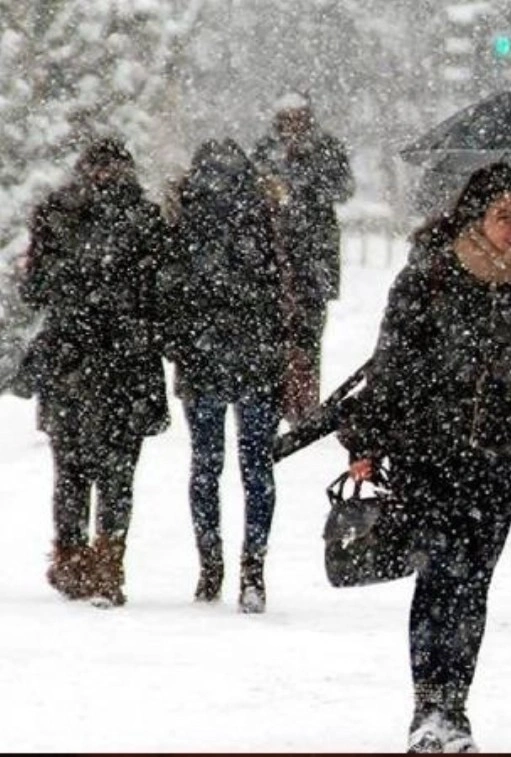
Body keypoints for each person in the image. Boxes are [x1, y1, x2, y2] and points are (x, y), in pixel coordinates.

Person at [338, 163, 511, 753]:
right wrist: (368, 443)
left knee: (473, 583)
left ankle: (456, 707)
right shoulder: (431, 274)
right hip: (430, 451)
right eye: (506, 216)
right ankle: (430, 706)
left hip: (500, 457)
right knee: (439, 575)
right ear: (476, 217)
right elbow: (391, 365)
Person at [19, 137, 170, 607]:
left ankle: (73, 559)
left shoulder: (57, 213)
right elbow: (159, 293)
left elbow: (34, 289)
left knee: (71, 471)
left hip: (72, 360)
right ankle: (107, 562)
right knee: (116, 472)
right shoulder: (145, 220)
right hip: (126, 361)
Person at [164, 139, 288, 611]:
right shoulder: (263, 213)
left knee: (206, 465)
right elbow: (283, 287)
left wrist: (180, 341)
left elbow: (170, 289)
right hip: (255, 356)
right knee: (257, 467)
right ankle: (252, 569)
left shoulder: (183, 216)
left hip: (203, 358)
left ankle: (209, 565)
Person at [251, 91, 353, 425]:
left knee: (309, 335)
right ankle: (278, 399)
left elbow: (344, 188)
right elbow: (251, 191)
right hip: (273, 256)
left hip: (314, 256)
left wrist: (305, 183)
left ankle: (304, 404)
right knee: (274, 334)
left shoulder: (326, 149)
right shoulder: (265, 150)